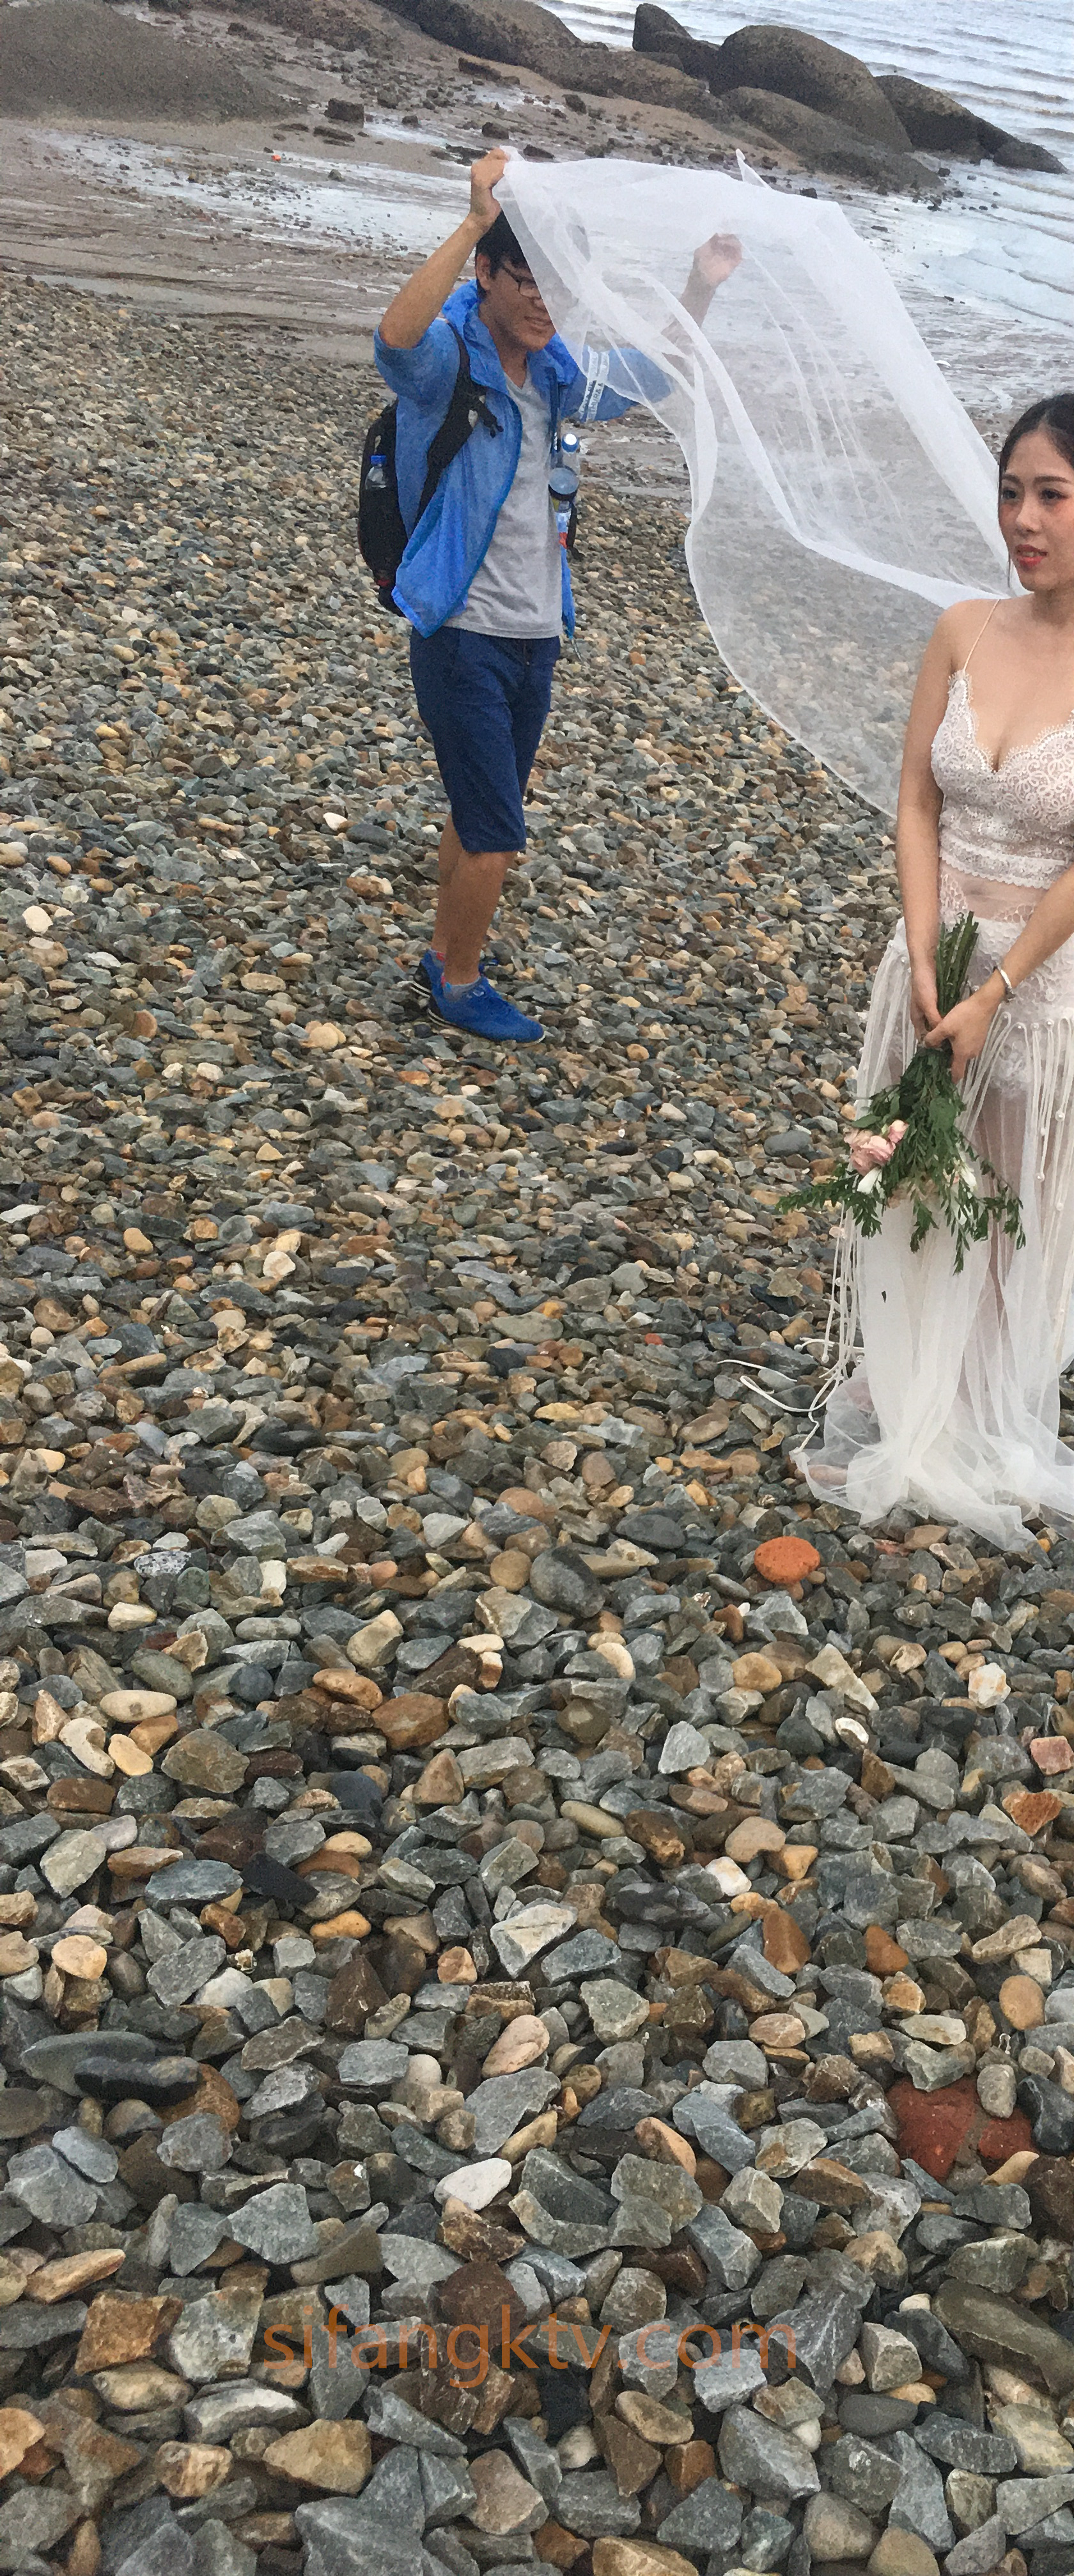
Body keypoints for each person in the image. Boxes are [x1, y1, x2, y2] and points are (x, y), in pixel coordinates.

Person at [375, 149, 740, 1043]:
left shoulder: (554, 373)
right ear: (489, 275)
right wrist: (473, 219)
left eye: (558, 286)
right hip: (462, 630)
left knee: (479, 809)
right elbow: (394, 340)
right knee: (497, 828)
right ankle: (459, 985)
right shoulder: (450, 365)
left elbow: (647, 377)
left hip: (536, 633)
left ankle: (444, 955)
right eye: (528, 281)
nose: (546, 302)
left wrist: (700, 286)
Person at [801, 392, 1074, 1548]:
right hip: (929, 957)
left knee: (1008, 1198)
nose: (1024, 520)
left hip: (1038, 982)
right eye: (1012, 492)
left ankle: (980, 1395)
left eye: (1052, 495)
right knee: (915, 1169)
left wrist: (995, 991)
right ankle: (904, 1367)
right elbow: (917, 799)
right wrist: (921, 954)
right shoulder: (964, 627)